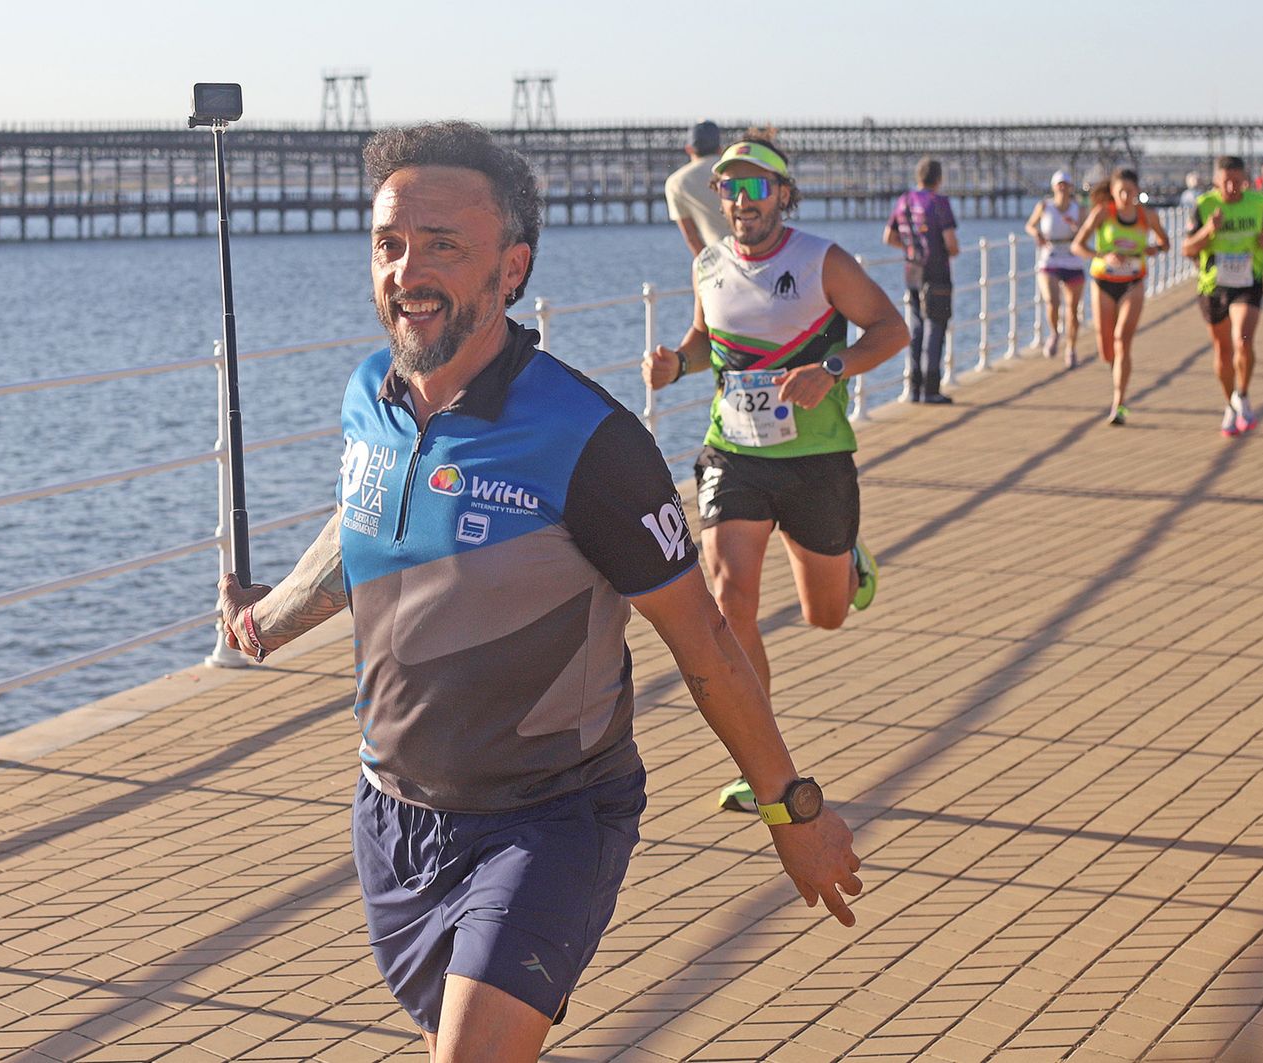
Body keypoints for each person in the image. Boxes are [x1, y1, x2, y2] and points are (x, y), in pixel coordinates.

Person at [216, 121, 863, 1061]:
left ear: (511, 269)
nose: (408, 270)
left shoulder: (589, 440)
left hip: (550, 814)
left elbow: (706, 642)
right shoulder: (371, 395)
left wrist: (790, 811)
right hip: (390, 814)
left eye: (445, 245)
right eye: (390, 244)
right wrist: (266, 618)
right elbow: (357, 521)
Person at [644, 138, 906, 813]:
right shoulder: (708, 264)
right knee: (729, 600)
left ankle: (848, 561)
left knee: (826, 614)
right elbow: (707, 342)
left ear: (784, 195)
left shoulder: (822, 261)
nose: (741, 201)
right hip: (735, 451)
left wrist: (835, 369)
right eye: (730, 189)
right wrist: (677, 362)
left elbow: (891, 328)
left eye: (757, 188)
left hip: (816, 459)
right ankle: (763, 765)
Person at [1185, 155, 1263, 438]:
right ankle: (1230, 404)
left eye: (1237, 181)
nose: (1231, 187)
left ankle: (1244, 394)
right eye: (1226, 181)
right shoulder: (1204, 206)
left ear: (1245, 179)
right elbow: (1187, 248)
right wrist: (1209, 230)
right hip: (1213, 285)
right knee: (1223, 352)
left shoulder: (1258, 202)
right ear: (1216, 181)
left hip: (1248, 282)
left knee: (1243, 340)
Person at [1070, 167, 1169, 425]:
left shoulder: (1147, 216)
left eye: (1130, 191)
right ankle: (1117, 375)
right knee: (1106, 350)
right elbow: (1077, 246)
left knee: (1122, 339)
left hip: (1133, 283)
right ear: (1112, 192)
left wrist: (1150, 249)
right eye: (1121, 191)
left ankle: (1119, 403)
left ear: (1137, 192)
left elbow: (1165, 243)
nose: (1126, 196)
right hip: (1103, 282)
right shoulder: (1103, 213)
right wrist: (1103, 255)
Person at [883, 155, 959, 402]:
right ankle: (931, 389)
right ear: (938, 178)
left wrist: (909, 251)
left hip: (912, 270)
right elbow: (951, 243)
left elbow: (889, 237)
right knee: (935, 328)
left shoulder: (904, 200)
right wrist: (951, 252)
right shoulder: (939, 203)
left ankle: (914, 388)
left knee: (916, 327)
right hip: (936, 271)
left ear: (919, 177)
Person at [1025, 170, 1086, 366]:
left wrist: (1076, 227)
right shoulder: (1044, 206)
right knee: (1052, 301)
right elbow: (1029, 225)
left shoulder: (1079, 209)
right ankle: (1054, 332)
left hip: (1072, 258)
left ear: (1070, 187)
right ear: (1054, 187)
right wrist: (1036, 233)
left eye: (1065, 184)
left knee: (1073, 310)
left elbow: (1086, 233)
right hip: (1050, 258)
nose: (1062, 187)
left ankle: (1071, 349)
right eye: (1059, 184)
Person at [664, 120, 730, 257]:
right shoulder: (735, 170)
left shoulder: (676, 182)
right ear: (720, 148)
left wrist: (706, 267)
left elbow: (691, 238)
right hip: (758, 252)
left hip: (719, 255)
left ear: (689, 149)